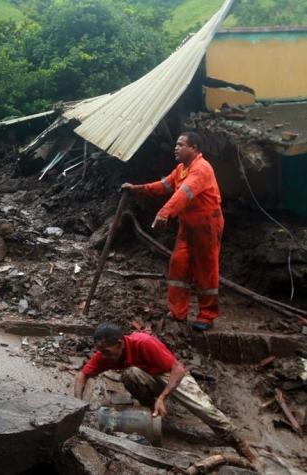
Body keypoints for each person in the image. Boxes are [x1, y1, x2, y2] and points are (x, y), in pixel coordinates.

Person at [74, 323, 256, 463]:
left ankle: (238, 442)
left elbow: (178, 368)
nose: (103, 356)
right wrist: (77, 405)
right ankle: (151, 411)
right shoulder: (105, 354)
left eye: (106, 351)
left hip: (170, 374)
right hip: (148, 376)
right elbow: (82, 375)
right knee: (130, 375)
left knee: (203, 408)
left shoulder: (143, 342)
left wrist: (163, 397)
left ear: (120, 344)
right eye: (100, 352)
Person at [121, 132, 223, 332]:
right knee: (178, 265)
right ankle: (178, 312)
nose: (176, 148)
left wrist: (164, 213)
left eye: (180, 144)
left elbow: (184, 194)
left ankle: (207, 315)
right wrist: (136, 189)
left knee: (206, 270)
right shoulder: (181, 169)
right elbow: (164, 186)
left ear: (193, 148)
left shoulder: (201, 169)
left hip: (206, 224)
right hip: (188, 226)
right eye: (176, 144)